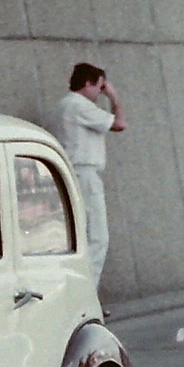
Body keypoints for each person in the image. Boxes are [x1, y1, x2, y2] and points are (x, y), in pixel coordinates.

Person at [51, 63, 127, 296]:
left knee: (81, 237)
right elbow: (120, 124)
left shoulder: (63, 105)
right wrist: (114, 97)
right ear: (89, 83)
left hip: (72, 173)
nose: (101, 92)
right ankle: (87, 297)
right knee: (97, 238)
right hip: (84, 173)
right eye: (100, 86)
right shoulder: (78, 104)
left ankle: (80, 295)